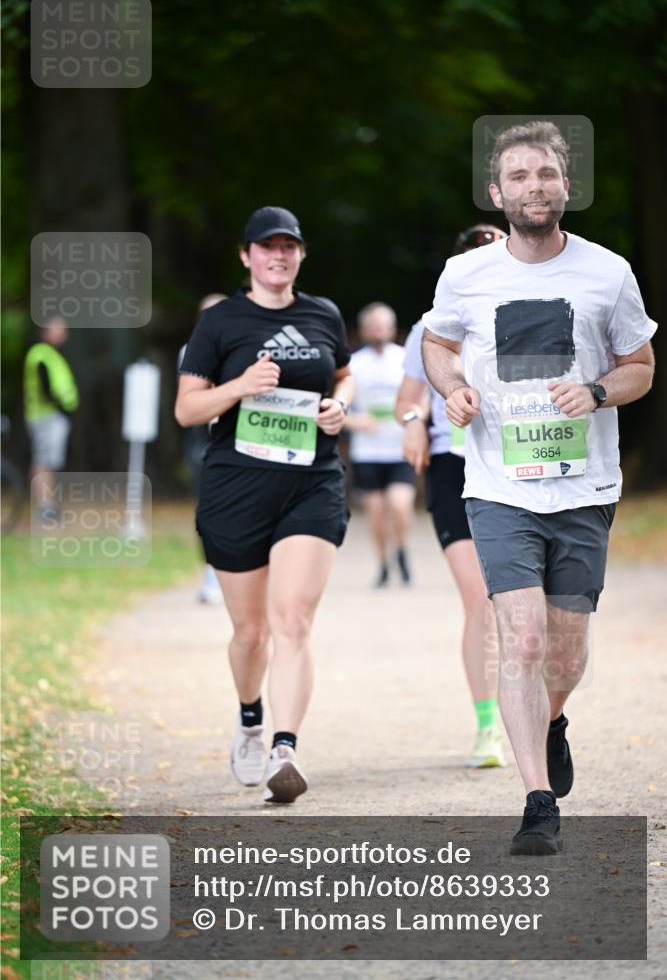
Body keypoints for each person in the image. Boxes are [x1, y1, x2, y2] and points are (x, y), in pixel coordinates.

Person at [422, 121, 656, 855]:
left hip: (583, 486)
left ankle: (553, 718)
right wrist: (453, 388)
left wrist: (597, 390)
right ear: (497, 193)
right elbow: (437, 342)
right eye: (519, 176)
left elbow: (641, 366)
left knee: (566, 648)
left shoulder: (607, 272)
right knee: (519, 636)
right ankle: (536, 801)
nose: (534, 187)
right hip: (498, 486)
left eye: (545, 174)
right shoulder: (466, 274)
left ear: (565, 187)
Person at [175, 206, 353, 804]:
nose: (279, 256)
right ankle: (250, 717)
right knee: (251, 634)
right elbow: (187, 409)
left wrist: (339, 404)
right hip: (237, 489)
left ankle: (285, 748)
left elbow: (344, 374)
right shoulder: (220, 322)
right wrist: (239, 387)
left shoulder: (322, 313)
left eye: (289, 247)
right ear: (246, 256)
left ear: (300, 254)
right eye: (267, 247)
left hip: (311, 482)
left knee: (293, 621)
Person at [396, 225, 507, 769]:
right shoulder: (431, 325)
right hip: (455, 469)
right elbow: (408, 399)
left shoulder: (534, 311)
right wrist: (414, 423)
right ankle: (488, 727)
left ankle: (540, 715)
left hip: (519, 466)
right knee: (481, 601)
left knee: (530, 604)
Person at [346, 302, 416, 587]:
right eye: (373, 326)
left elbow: (422, 398)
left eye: (383, 325)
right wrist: (356, 421)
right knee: (375, 514)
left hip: (399, 449)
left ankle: (402, 549)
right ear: (364, 330)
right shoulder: (354, 364)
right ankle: (384, 563)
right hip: (367, 452)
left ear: (392, 328)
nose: (378, 331)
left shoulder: (405, 359)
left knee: (400, 505)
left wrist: (413, 422)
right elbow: (339, 408)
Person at [177, 293, 227, 605]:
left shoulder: (249, 346)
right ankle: (211, 572)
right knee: (208, 511)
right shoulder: (190, 351)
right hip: (204, 443)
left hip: (242, 441)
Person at [23, 315, 79, 522]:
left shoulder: (51, 354)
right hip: (45, 416)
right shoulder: (41, 354)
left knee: (46, 462)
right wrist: (61, 406)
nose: (64, 332)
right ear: (47, 331)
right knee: (43, 462)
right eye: (59, 328)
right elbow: (45, 386)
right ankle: (44, 506)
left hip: (50, 416)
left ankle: (47, 505)